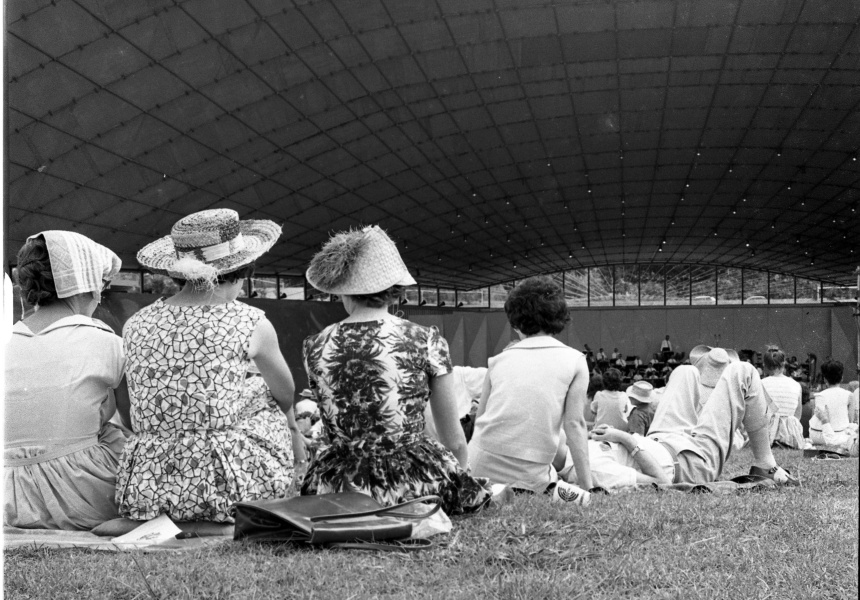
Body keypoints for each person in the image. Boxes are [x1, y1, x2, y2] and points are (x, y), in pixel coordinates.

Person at [116, 209, 297, 523]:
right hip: (220, 483)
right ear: (245, 268)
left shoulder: (136, 323)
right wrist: (293, 427)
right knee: (263, 392)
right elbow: (286, 392)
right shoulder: (249, 320)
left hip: (147, 485)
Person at [301, 225, 491, 514]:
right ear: (394, 291)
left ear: (343, 290)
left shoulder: (313, 346)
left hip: (337, 490)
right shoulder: (425, 340)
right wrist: (462, 485)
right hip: (413, 487)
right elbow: (453, 439)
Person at [5, 231, 128, 530]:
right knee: (117, 433)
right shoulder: (103, 340)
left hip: (8, 497)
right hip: (80, 497)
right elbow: (137, 422)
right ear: (85, 287)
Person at [564, 347, 798, 489]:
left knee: (684, 371)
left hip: (663, 439)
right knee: (744, 371)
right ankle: (766, 465)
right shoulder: (587, 469)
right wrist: (624, 438)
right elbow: (660, 481)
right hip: (688, 462)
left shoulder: (575, 449)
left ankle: (712, 405)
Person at [467, 276, 593, 493]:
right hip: (528, 478)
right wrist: (588, 488)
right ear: (559, 316)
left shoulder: (497, 361)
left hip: (478, 465)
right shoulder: (575, 361)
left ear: (515, 322)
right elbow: (575, 425)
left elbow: (480, 418)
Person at [760, 347, 804, 448]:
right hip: (792, 437)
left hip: (767, 436)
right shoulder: (796, 385)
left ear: (765, 366)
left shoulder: (760, 384)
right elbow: (797, 416)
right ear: (783, 364)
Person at [808, 360, 852, 448]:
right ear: (842, 378)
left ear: (825, 379)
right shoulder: (849, 395)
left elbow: (817, 415)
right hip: (839, 435)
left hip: (816, 435)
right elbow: (851, 419)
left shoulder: (820, 395)